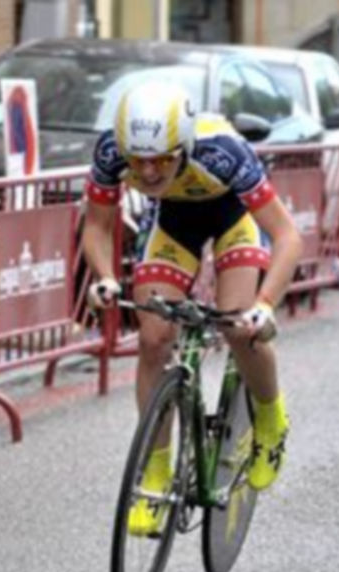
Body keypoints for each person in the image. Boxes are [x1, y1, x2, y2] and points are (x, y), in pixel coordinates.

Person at [82, 80, 302, 534]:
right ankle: (157, 473)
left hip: (232, 218)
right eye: (138, 161)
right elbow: (98, 227)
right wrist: (104, 276)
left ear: (182, 146)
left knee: (240, 328)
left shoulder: (223, 152)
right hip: (173, 223)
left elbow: (287, 236)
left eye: (161, 159)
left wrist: (264, 304)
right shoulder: (110, 153)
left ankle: (269, 416)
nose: (147, 173)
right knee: (153, 338)